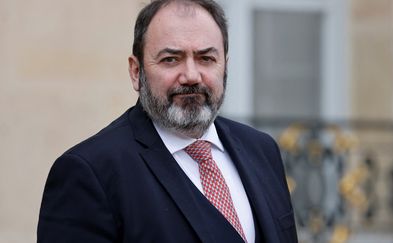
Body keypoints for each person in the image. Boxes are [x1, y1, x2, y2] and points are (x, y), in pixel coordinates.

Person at [37, 0, 298, 242]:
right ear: (136, 71)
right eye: (171, 59)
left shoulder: (262, 150)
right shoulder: (90, 172)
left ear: (225, 66)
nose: (191, 76)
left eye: (206, 58)